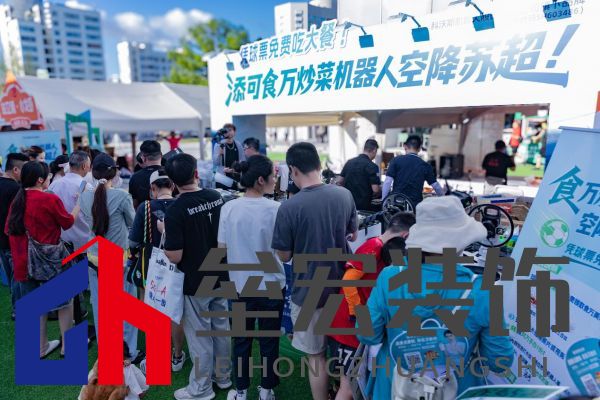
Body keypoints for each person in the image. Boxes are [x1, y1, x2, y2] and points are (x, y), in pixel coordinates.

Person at [358, 196, 514, 399]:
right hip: (457, 391)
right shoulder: (483, 290)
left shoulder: (389, 276)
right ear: (462, 242)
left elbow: (367, 334)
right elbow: (500, 361)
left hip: (393, 388)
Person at [271, 142, 357, 400]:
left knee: (316, 355)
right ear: (319, 165)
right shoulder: (344, 195)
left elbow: (284, 255)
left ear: (293, 170)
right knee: (342, 352)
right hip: (344, 289)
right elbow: (352, 234)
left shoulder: (289, 207)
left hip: (309, 292)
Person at [163, 153, 231, 400]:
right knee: (221, 328)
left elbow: (175, 255)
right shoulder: (216, 197)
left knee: (200, 335)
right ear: (196, 173)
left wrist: (165, 234)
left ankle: (201, 388)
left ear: (172, 182)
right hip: (221, 273)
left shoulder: (175, 210)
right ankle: (223, 377)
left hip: (195, 280)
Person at [218, 155, 285, 400]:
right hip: (271, 284)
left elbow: (222, 249)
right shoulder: (276, 209)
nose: (276, 179)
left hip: (239, 285)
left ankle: (241, 391)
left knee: (241, 340)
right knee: (269, 341)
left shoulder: (229, 208)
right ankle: (266, 390)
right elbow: (284, 252)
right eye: (273, 176)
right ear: (260, 180)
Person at [328, 212, 415, 400]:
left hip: (356, 325)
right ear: (406, 236)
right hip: (349, 327)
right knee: (348, 386)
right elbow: (348, 280)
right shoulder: (374, 247)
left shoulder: (380, 247)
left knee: (354, 383)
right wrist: (358, 314)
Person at [5, 161, 78, 358]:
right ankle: (67, 346)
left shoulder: (17, 200)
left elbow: (8, 230)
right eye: (48, 176)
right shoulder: (49, 199)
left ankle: (41, 347)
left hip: (22, 262)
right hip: (50, 261)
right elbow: (67, 222)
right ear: (40, 179)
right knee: (65, 302)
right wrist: (78, 205)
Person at [79, 153, 141, 363]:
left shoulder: (84, 196)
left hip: (95, 259)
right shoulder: (121, 196)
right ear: (114, 173)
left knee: (100, 308)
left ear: (92, 172)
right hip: (119, 260)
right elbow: (133, 224)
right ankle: (128, 352)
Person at [128, 168, 186, 373]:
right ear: (172, 186)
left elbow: (133, 241)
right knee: (176, 313)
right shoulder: (182, 205)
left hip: (150, 266)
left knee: (152, 310)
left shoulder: (145, 207)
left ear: (153, 188)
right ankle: (177, 356)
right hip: (178, 264)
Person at [0, 153, 29, 320]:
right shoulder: (16, 189)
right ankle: (18, 310)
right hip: (14, 239)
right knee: (18, 277)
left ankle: (17, 308)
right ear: (16, 169)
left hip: (2, 241)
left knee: (12, 275)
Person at [48, 151, 92, 252]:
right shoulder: (86, 187)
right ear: (84, 166)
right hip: (84, 244)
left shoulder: (54, 185)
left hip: (61, 244)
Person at [382, 135, 443, 207]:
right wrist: (444, 199)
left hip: (397, 203)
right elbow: (436, 186)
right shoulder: (425, 165)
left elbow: (388, 182)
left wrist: (384, 201)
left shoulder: (396, 160)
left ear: (405, 146)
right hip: (414, 206)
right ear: (420, 148)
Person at [338, 139, 381, 211]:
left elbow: (339, 181)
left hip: (348, 203)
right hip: (363, 206)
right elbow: (375, 189)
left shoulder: (349, 162)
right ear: (374, 150)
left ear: (364, 149)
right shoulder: (372, 166)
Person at [129, 140, 163, 209]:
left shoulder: (135, 177)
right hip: (170, 214)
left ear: (143, 158)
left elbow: (133, 205)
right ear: (161, 155)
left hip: (145, 214)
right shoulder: (171, 173)